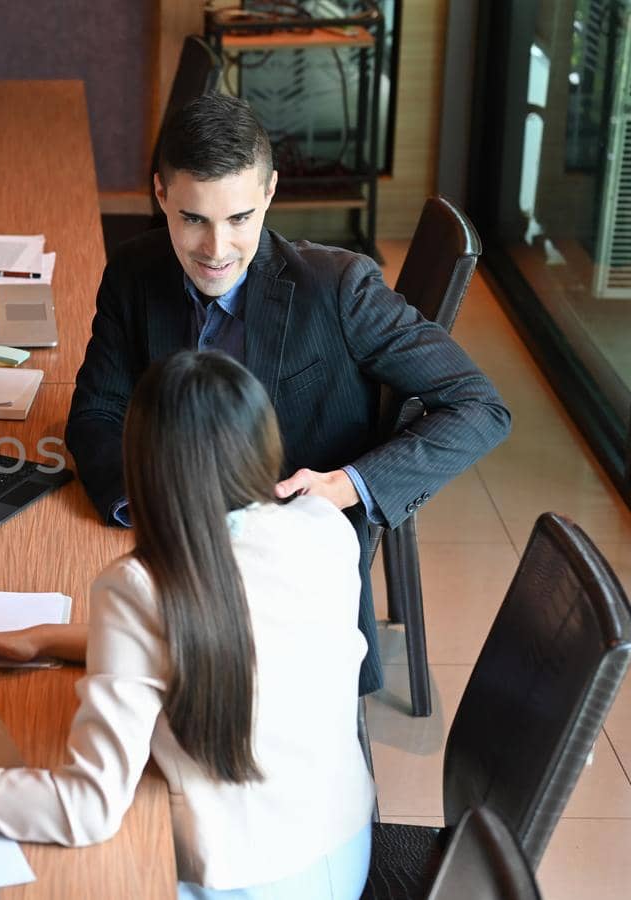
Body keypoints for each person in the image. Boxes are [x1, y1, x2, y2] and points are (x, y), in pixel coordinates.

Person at [0, 351, 376, 898]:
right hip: (345, 847)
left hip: (244, 880)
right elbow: (232, 642)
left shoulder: (141, 585)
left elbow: (88, 809)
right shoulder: (322, 524)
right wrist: (47, 638)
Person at [65, 93, 510, 694]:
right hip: (171, 543)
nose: (216, 249)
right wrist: (147, 503)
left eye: (239, 218)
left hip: (290, 566)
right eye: (193, 218)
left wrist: (346, 484)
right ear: (161, 195)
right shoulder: (134, 271)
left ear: (270, 193)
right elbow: (96, 410)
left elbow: (481, 407)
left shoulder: (339, 288)